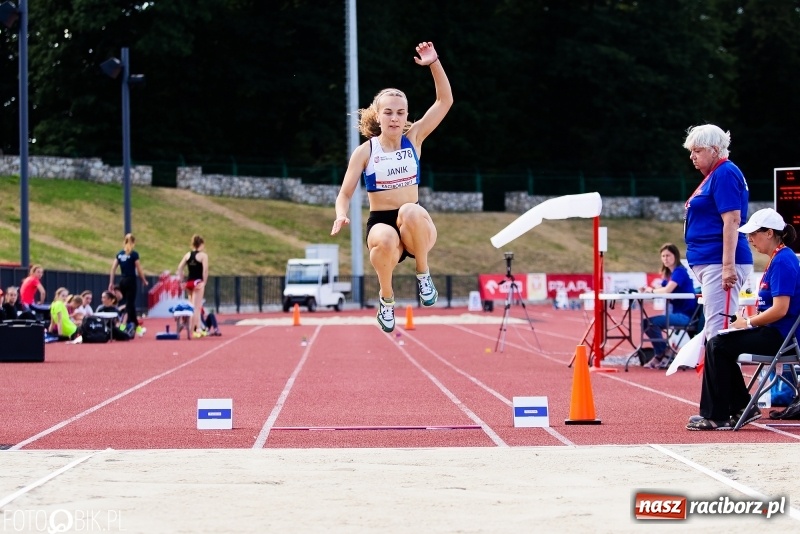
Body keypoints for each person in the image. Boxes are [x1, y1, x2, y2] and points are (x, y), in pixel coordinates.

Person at [331, 41, 453, 333]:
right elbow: (345, 193)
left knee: (410, 210)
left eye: (400, 112)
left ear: (407, 115)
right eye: (388, 112)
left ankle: (423, 274)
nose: (395, 118)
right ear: (378, 115)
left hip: (416, 227)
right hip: (381, 222)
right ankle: (386, 299)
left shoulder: (415, 139)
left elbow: (444, 101)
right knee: (384, 239)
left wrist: (434, 63)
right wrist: (341, 214)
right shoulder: (365, 151)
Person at [687, 209, 800, 430]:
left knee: (717, 345)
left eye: (753, 234)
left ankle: (720, 414)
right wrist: (746, 321)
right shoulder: (779, 258)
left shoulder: (783, 261)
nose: (749, 239)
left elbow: (780, 310)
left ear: (769, 233)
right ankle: (739, 407)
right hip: (775, 333)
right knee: (719, 343)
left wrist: (747, 323)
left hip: (782, 338)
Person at [682, 125, 753, 343]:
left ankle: (719, 368)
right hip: (711, 261)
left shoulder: (725, 173)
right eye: (691, 151)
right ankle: (714, 367)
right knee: (714, 330)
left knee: (719, 333)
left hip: (718, 261)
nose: (692, 156)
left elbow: (732, 220)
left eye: (697, 150)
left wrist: (727, 266)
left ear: (714, 150)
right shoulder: (716, 175)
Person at [639, 243, 700, 369]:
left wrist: (651, 291)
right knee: (646, 323)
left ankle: (662, 352)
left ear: (675, 256)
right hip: (676, 313)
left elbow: (667, 290)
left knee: (649, 323)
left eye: (668, 255)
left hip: (685, 316)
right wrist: (649, 289)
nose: (665, 259)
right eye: (663, 256)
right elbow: (661, 287)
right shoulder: (670, 274)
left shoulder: (680, 272)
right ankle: (663, 352)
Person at [109, 233, 149, 337]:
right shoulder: (134, 254)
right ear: (134, 242)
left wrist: (111, 282)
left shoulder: (119, 254)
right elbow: (139, 269)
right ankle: (126, 327)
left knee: (128, 304)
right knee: (129, 304)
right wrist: (144, 280)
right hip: (131, 280)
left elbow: (113, 269)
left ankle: (134, 327)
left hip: (122, 280)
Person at [177, 234, 209, 338]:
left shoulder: (188, 255)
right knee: (196, 308)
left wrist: (182, 281)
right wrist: (204, 282)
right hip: (197, 283)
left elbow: (180, 268)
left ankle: (198, 328)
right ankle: (191, 330)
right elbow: (205, 270)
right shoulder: (203, 256)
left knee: (193, 306)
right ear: (201, 244)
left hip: (189, 283)